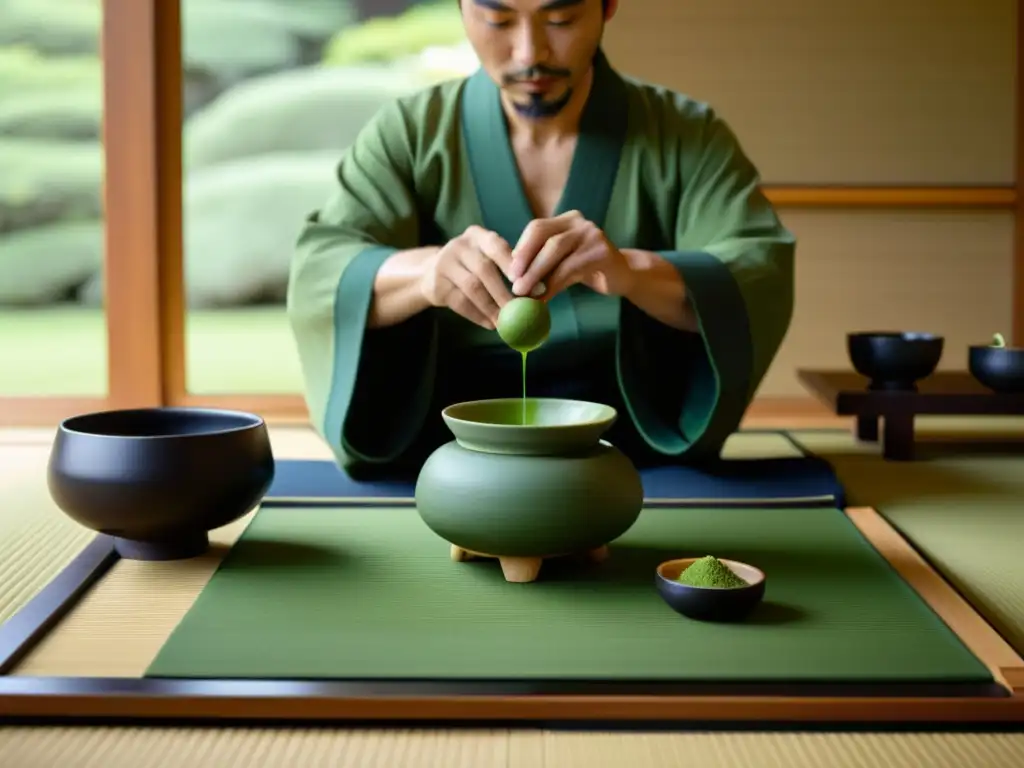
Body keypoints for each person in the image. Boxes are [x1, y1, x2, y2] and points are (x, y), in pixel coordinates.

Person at [286, 0, 796, 473]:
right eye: (499, 20)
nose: (530, 53)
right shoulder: (410, 132)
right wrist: (428, 274)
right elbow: (324, 269)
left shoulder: (686, 134)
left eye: (561, 19)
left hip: (631, 439)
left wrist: (632, 272)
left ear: (607, 6)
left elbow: (756, 270)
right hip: (439, 440)